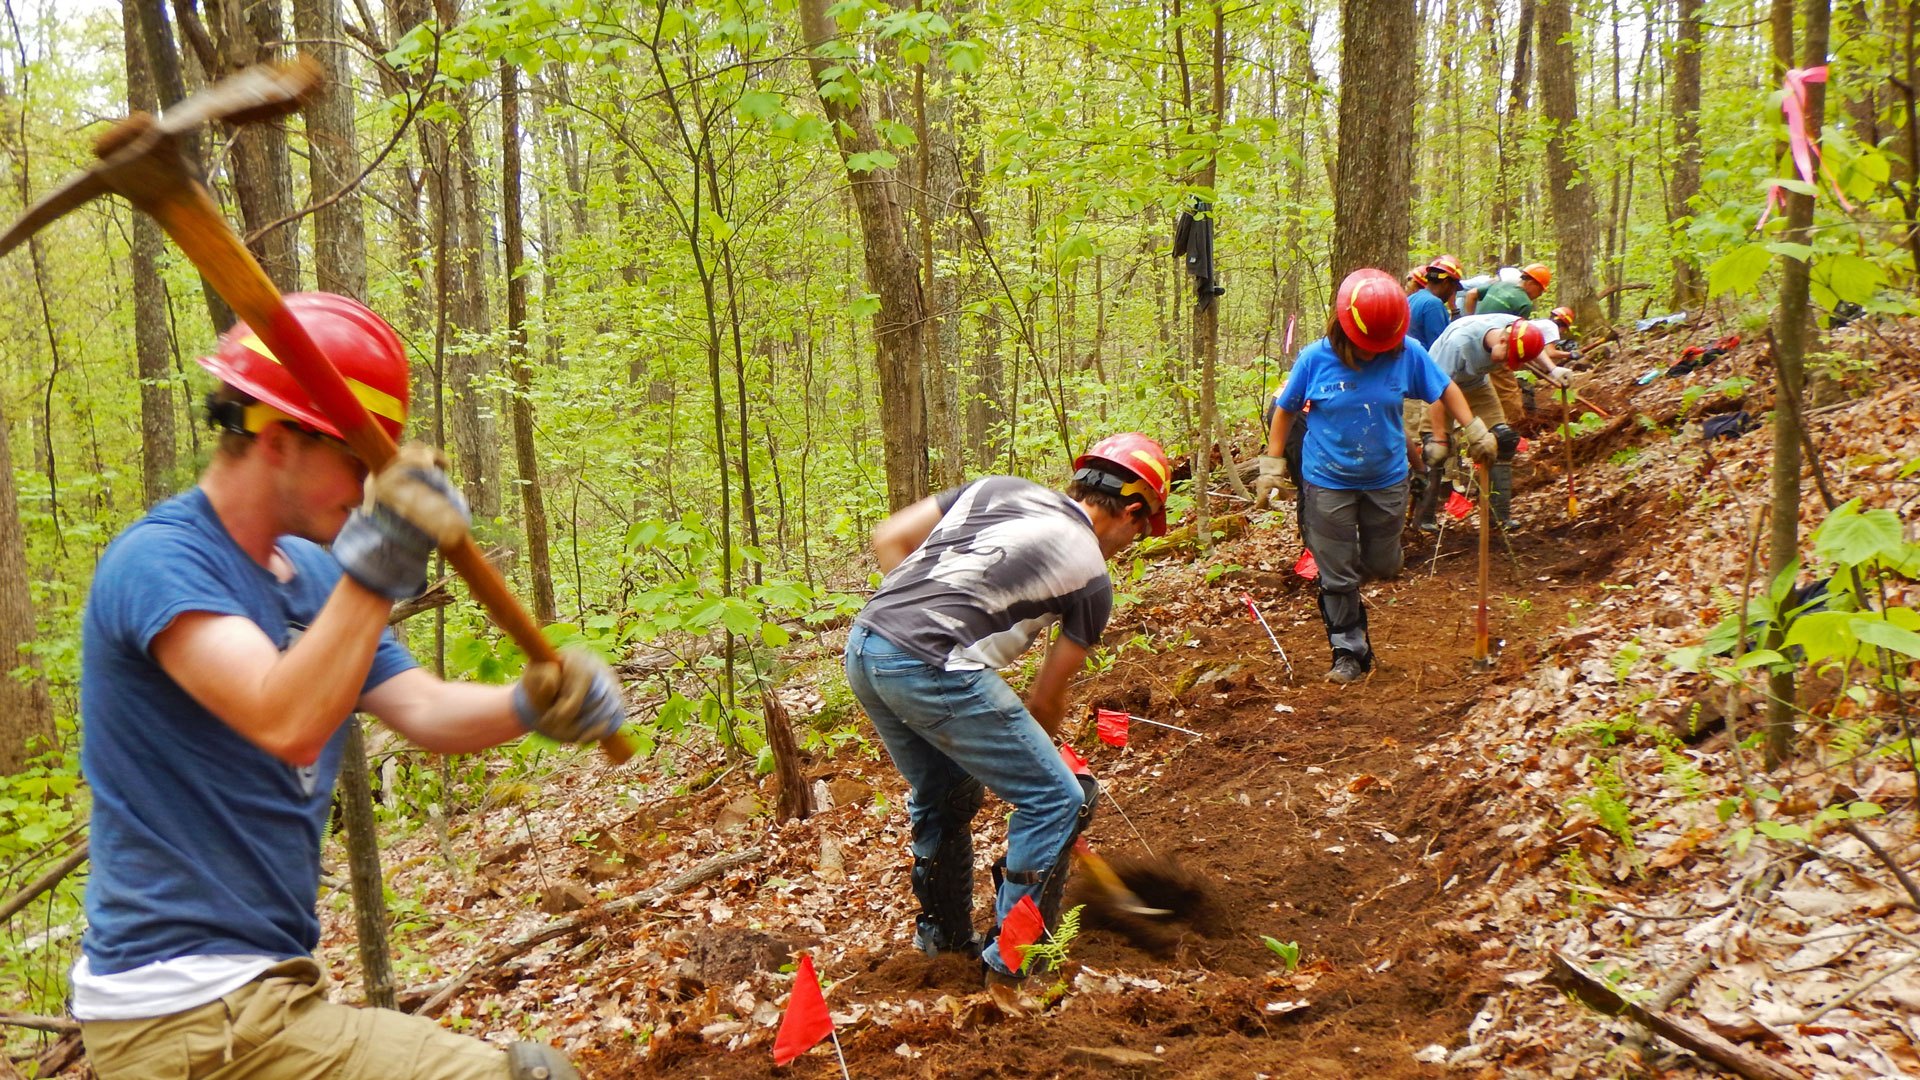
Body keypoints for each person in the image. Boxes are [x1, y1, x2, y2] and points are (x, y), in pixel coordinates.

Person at [74, 294, 623, 1080]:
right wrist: (378, 569)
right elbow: (284, 715)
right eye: (356, 461)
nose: (370, 488)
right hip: (185, 1016)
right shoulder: (160, 563)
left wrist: (531, 707)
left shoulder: (316, 575)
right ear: (275, 436)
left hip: (259, 1000)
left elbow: (422, 707)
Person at [842, 434, 1171, 986]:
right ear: (1132, 509)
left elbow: (889, 537)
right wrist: (1044, 765)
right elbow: (1047, 697)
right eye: (1141, 528)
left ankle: (944, 942)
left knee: (948, 793)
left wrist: (920, 617)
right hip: (933, 666)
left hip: (867, 644)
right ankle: (1016, 965)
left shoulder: (1001, 489)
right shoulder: (1092, 576)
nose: (1133, 541)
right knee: (1058, 800)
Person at [1254, 270, 1493, 684]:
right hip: (1326, 480)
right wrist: (1273, 464)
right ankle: (1349, 650)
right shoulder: (1315, 358)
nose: (1374, 354)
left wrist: (1473, 428)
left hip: (1386, 478)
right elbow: (1286, 408)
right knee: (1337, 572)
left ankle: (1351, 577)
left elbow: (1444, 389)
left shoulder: (1407, 352)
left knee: (1384, 562)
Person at [1416, 312, 1574, 531]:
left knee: (1504, 439)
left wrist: (1553, 369)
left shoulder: (1517, 328)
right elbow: (1437, 390)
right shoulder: (1458, 344)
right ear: (1501, 341)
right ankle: (1423, 519)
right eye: (1508, 360)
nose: (1510, 367)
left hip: (1477, 384)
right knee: (1436, 451)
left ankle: (1499, 518)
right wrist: (1440, 437)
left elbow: (1534, 344)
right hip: (1440, 387)